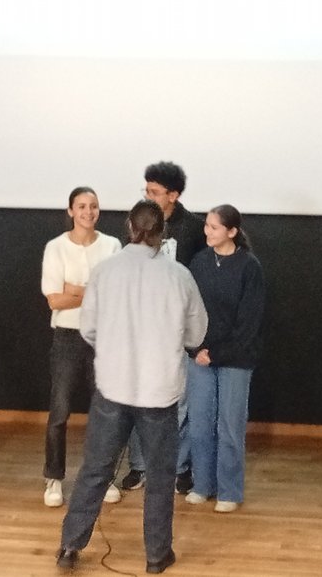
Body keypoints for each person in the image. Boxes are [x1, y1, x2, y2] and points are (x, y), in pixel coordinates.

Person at [57, 201, 207, 575]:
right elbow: (196, 334)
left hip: (112, 388)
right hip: (159, 393)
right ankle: (157, 555)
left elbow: (88, 329)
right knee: (160, 477)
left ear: (129, 226)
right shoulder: (179, 276)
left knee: (95, 469)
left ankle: (70, 546)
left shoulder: (105, 272)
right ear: (163, 232)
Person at [121, 161, 206, 495]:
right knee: (138, 397)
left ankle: (178, 467)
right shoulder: (138, 221)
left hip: (177, 328)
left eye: (155, 192)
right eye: (146, 190)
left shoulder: (194, 228)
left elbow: (197, 280)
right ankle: (139, 465)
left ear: (174, 195)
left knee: (179, 401)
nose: (148, 196)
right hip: (142, 327)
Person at [41, 187, 122, 508]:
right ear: (71, 211)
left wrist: (74, 290)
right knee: (60, 410)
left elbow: (114, 294)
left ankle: (104, 477)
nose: (88, 212)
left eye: (94, 206)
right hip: (67, 336)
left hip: (103, 338)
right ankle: (53, 477)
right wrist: (92, 292)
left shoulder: (112, 246)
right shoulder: (56, 247)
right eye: (82, 206)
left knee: (104, 412)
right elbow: (54, 299)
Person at [185, 205, 265, 513]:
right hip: (200, 355)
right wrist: (196, 349)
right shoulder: (199, 262)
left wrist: (216, 354)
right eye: (207, 225)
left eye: (214, 227)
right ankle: (202, 485)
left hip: (235, 359)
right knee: (199, 424)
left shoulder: (249, 267)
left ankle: (229, 490)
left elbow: (249, 322)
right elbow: (189, 309)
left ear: (231, 232)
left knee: (230, 426)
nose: (207, 232)